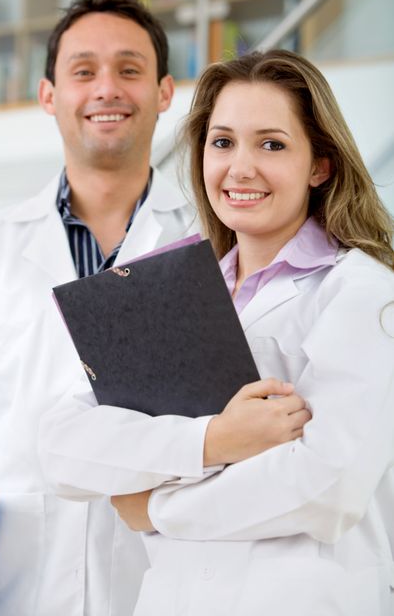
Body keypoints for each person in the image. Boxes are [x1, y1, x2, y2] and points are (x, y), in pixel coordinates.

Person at [39, 49, 394, 616]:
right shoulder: (171, 291)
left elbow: (329, 488)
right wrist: (216, 442)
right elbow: (61, 449)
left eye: (272, 144)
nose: (240, 168)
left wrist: (154, 507)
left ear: (320, 165)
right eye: (222, 142)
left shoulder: (365, 295)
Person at [0, 0, 203, 616]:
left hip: (164, 580)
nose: (107, 88)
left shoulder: (208, 239)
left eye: (130, 70)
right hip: (14, 583)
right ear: (48, 95)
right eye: (83, 71)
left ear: (165, 92)